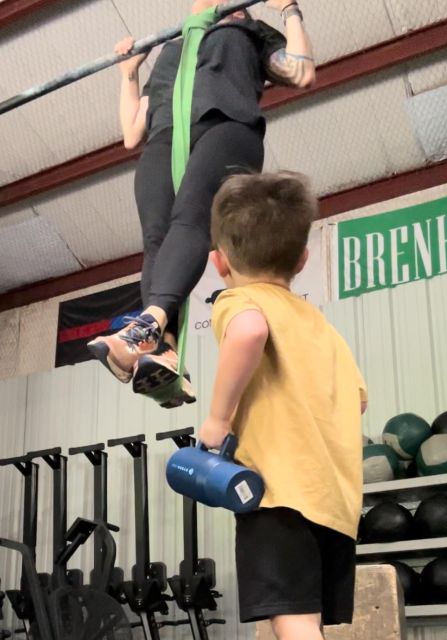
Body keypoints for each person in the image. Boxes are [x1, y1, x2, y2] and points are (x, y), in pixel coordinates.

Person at [199, 171, 368, 640]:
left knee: (292, 626)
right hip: (333, 501)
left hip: (280, 493)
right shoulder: (321, 327)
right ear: (301, 260)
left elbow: (246, 335)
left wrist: (218, 422)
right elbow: (355, 400)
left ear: (220, 261)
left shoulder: (236, 301)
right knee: (307, 628)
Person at [88, 1, 315, 403]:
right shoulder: (173, 47)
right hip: (165, 138)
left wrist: (290, 10)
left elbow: (301, 71)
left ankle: (147, 327)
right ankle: (165, 351)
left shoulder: (250, 31)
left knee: (189, 216)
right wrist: (129, 74)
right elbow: (132, 132)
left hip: (225, 125)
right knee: (156, 240)